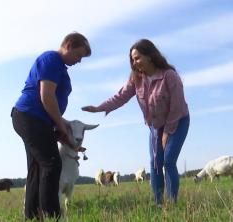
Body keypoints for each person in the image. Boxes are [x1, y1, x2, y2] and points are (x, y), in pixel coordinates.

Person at [82, 39, 189, 207]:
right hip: (155, 126)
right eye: (132, 59)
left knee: (168, 161)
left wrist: (168, 132)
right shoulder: (136, 79)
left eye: (137, 58)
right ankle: (159, 204)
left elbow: (176, 106)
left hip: (177, 121)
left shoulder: (169, 76)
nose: (134, 62)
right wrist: (99, 108)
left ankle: (172, 203)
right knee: (155, 164)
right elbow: (121, 96)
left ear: (150, 56)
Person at [11, 32, 91, 220]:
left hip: (34, 119)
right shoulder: (51, 59)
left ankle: (33, 216)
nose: (79, 61)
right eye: (78, 55)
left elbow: (51, 106)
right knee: (52, 164)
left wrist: (64, 131)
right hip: (31, 117)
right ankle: (53, 216)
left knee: (37, 168)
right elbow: (46, 97)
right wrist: (61, 127)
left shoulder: (58, 66)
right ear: (69, 45)